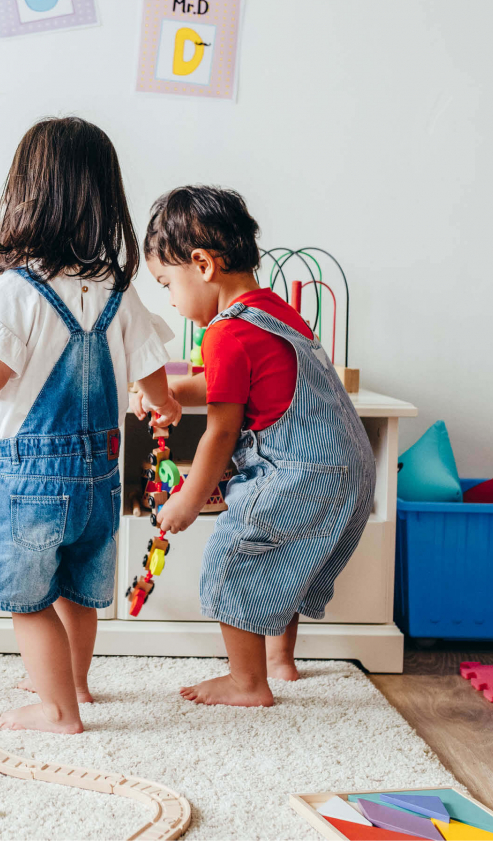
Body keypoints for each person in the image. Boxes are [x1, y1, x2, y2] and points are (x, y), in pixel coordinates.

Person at [0, 116, 179, 733]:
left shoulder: (17, 290)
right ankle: (77, 686)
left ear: (26, 196)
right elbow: (156, 383)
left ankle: (57, 709)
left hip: (31, 479)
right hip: (100, 475)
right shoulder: (119, 290)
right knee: (76, 590)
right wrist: (157, 405)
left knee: (28, 600)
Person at [138, 185, 375, 707]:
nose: (172, 303)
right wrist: (175, 389)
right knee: (280, 558)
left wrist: (189, 498)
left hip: (302, 469)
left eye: (167, 285)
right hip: (347, 466)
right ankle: (279, 660)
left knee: (234, 554)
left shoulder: (223, 334)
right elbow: (237, 383)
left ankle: (247, 683)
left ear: (202, 265)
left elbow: (221, 430)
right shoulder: (274, 312)